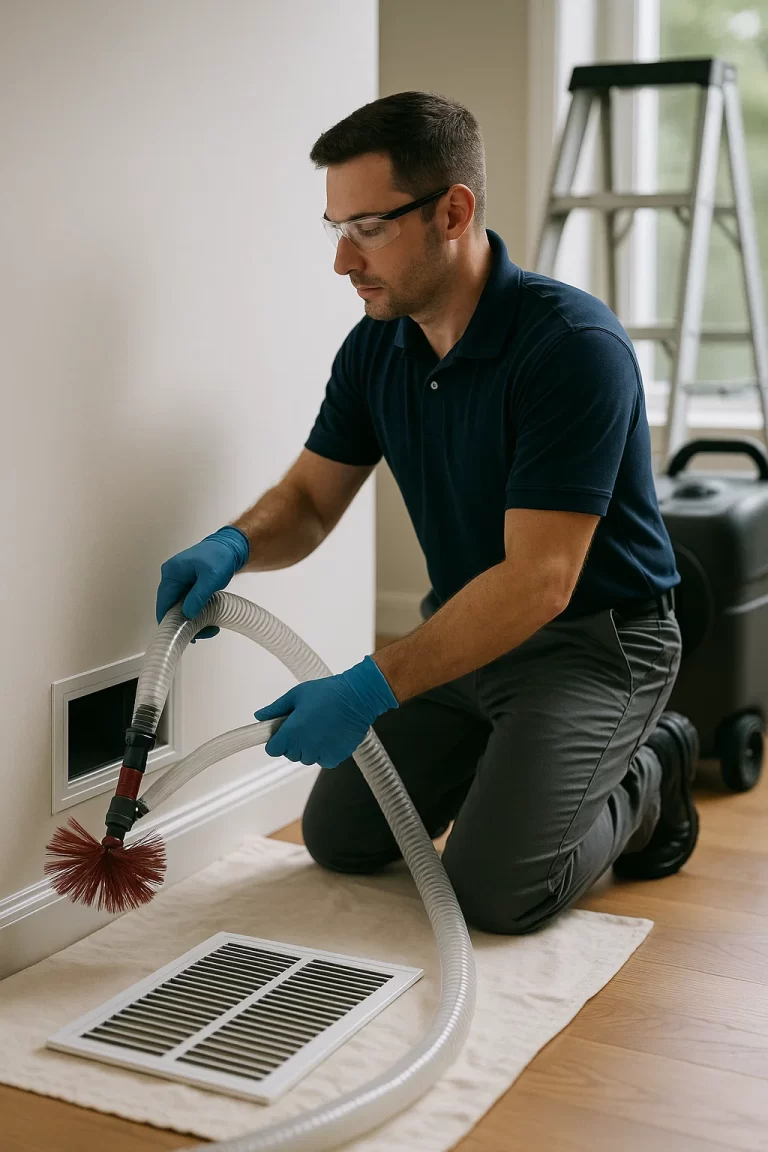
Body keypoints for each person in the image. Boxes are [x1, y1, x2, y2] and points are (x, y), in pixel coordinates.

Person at [156, 91, 700, 935]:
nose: (343, 259)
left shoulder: (571, 350)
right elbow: (306, 501)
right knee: (340, 840)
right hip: (466, 631)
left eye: (367, 228)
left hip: (592, 646)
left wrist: (372, 685)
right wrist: (232, 543)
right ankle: (519, 764)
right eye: (334, 227)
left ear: (453, 210)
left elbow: (540, 582)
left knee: (492, 894)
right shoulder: (381, 341)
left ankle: (651, 771)